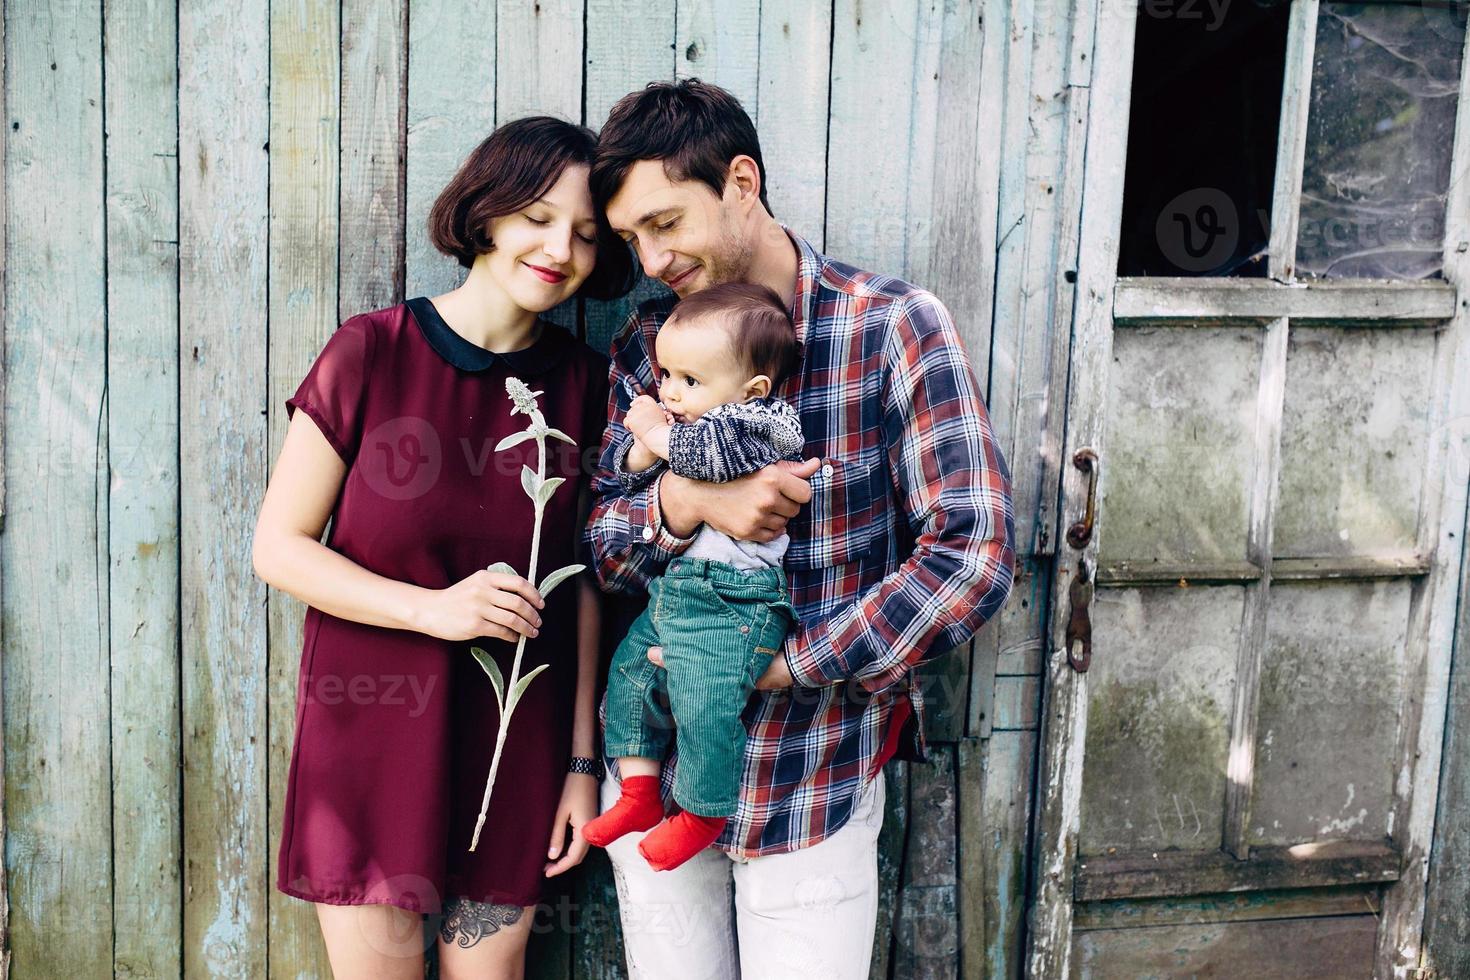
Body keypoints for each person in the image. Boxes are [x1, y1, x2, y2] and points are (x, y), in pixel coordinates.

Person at [584, 79, 1017, 978]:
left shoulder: (892, 327)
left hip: (811, 773)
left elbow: (972, 556)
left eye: (665, 223)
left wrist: (791, 664)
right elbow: (602, 545)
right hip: (656, 783)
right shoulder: (648, 347)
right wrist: (684, 506)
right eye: (631, 239)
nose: (652, 258)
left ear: (742, 180)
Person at [252, 116, 635, 980]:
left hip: (513, 743)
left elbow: (580, 595)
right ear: (489, 212)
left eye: (584, 233)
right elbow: (279, 547)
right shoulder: (371, 352)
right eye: (539, 216)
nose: (559, 248)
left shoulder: (584, 386)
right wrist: (432, 610)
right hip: (371, 740)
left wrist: (580, 765)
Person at [581, 283, 804, 872]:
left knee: (704, 703)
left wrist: (652, 434)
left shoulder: (761, 424)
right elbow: (621, 477)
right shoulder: (691, 418)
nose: (671, 392)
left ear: (752, 388)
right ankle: (638, 791)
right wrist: (640, 448)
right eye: (668, 375)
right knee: (630, 675)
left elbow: (701, 458)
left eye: (691, 381)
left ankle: (703, 812)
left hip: (737, 601)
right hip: (682, 589)